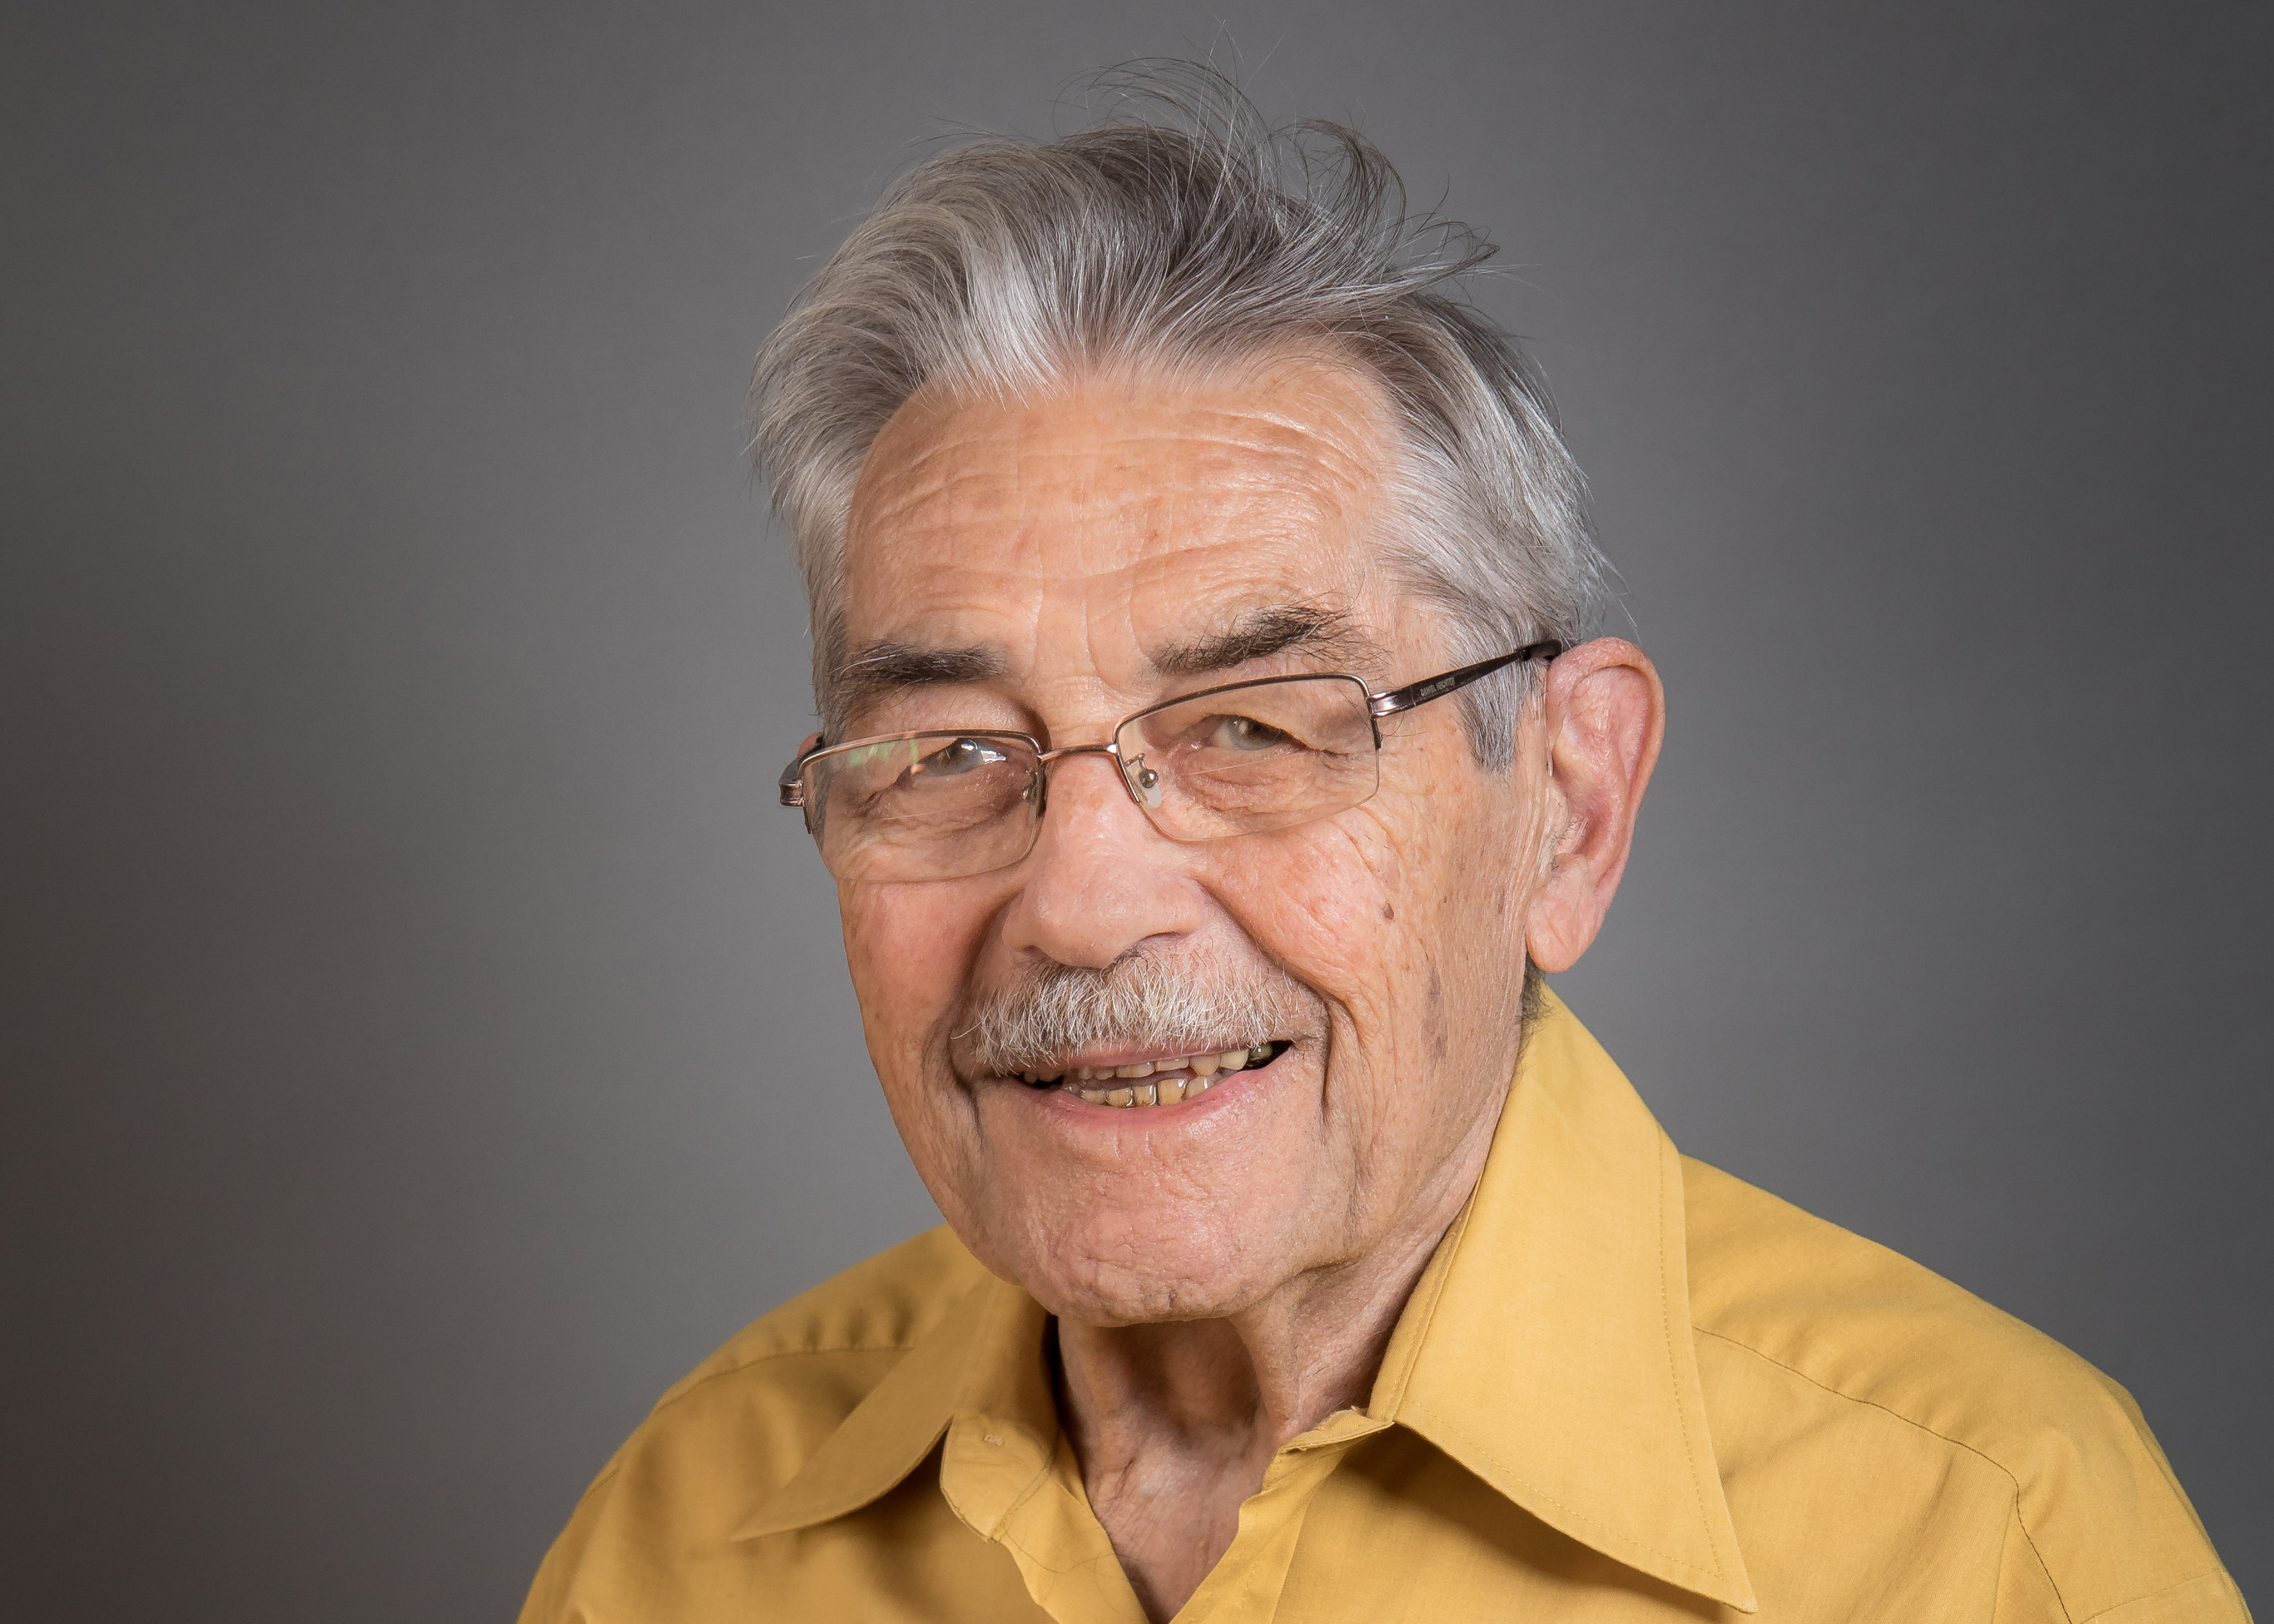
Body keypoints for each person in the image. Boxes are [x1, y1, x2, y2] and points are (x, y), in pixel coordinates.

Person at [519, 69, 2245, 1624]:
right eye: (956, 754)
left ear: (1568, 802)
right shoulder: (691, 1537)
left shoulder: (1983, 1543)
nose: (1082, 901)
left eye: (1253, 730)